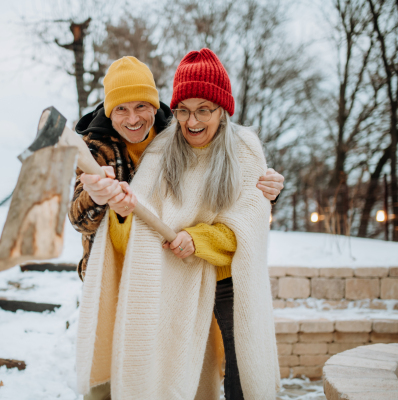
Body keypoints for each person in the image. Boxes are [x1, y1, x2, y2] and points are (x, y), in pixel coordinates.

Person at [75, 49, 280, 400]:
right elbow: (133, 225)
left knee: (242, 366)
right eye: (184, 110)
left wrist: (199, 238)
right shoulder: (157, 149)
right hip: (175, 276)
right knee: (169, 366)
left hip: (227, 276)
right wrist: (116, 208)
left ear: (222, 109)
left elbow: (250, 219)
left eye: (204, 109)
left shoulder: (242, 147)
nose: (192, 121)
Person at [68, 56, 284, 283]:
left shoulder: (174, 134)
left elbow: (216, 172)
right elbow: (78, 221)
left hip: (170, 272)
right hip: (110, 271)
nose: (133, 119)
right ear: (110, 111)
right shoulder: (95, 149)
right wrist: (95, 197)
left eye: (141, 106)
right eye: (121, 109)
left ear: (154, 105)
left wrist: (263, 189)